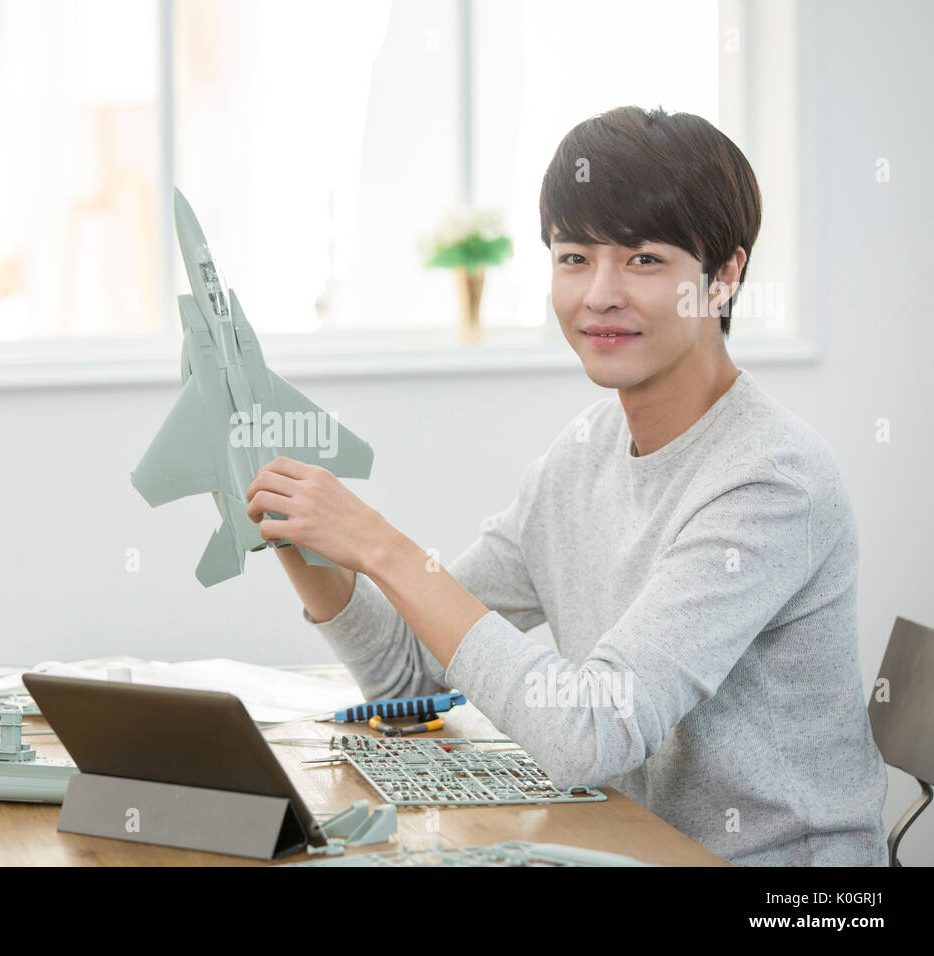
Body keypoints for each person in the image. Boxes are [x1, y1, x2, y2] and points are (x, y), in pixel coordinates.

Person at [245, 105, 888, 866]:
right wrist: (300, 535)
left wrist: (383, 547)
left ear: (723, 278)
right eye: (574, 257)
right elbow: (409, 674)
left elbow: (589, 732)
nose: (600, 295)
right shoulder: (585, 453)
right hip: (625, 845)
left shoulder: (773, 482)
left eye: (644, 259)